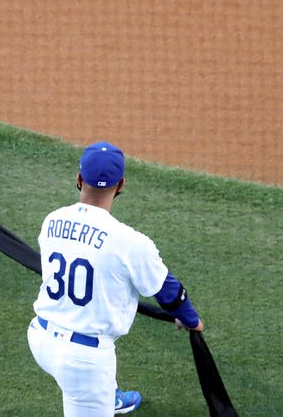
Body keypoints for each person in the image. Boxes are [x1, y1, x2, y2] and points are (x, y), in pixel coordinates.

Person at [27, 141, 204, 415]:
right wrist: (192, 320)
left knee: (86, 378)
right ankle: (96, 397)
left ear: (79, 178)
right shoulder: (130, 242)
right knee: (86, 385)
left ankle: (105, 397)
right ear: (121, 184)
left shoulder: (52, 220)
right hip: (84, 362)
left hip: (39, 337)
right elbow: (169, 292)